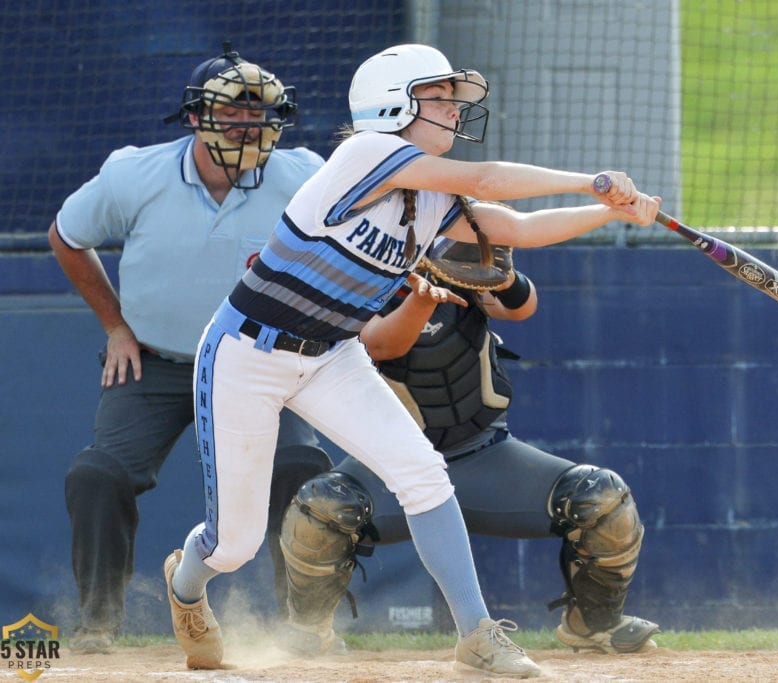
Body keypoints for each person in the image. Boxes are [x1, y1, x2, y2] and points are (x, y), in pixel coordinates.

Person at [161, 43, 660, 678]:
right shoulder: (363, 154)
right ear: (394, 103)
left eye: (455, 98)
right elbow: (486, 179)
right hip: (247, 352)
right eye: (440, 96)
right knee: (234, 545)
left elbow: (518, 227)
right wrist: (586, 178)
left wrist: (609, 209)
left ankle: (476, 636)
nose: (454, 110)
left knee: (423, 473)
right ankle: (186, 583)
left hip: (330, 356)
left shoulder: (431, 200)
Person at [49, 44, 332, 653]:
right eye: (231, 111)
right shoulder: (134, 173)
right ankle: (98, 624)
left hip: (261, 364)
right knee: (97, 474)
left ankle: (305, 626)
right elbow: (67, 235)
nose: (247, 124)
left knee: (302, 471)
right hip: (155, 362)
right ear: (196, 116)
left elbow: (342, 251)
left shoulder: (306, 174)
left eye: (260, 114)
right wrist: (116, 327)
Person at [276, 239, 661, 659]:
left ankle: (595, 624)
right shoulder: (355, 279)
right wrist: (423, 292)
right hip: (393, 470)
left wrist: (496, 270)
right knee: (320, 507)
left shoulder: (458, 262)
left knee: (603, 497)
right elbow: (383, 345)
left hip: (486, 458)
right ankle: (310, 631)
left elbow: (521, 306)